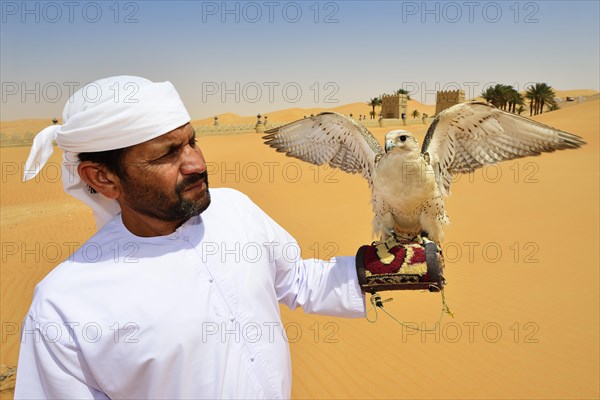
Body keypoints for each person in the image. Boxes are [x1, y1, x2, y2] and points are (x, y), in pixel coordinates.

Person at [15, 76, 366, 399]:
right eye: (167, 154)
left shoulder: (234, 209)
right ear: (103, 178)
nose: (196, 163)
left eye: (192, 142)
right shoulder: (63, 306)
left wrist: (375, 271)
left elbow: (298, 279)